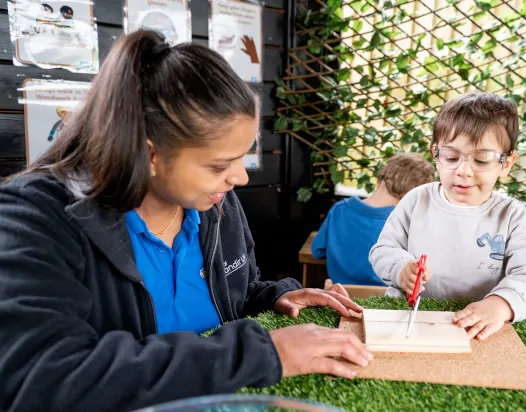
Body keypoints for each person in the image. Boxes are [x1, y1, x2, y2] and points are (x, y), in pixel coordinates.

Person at [0, 30, 371, 412]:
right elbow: (38, 377)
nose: (240, 177)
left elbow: (232, 297)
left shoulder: (214, 201)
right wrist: (260, 353)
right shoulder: (34, 219)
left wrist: (273, 297)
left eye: (242, 156)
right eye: (219, 165)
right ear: (149, 155)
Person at [369, 92, 526, 341]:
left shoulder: (512, 216)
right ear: (435, 154)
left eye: (481, 159)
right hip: (406, 317)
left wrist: (501, 304)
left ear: (506, 163)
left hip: (474, 329)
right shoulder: (416, 200)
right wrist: (400, 267)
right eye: (451, 157)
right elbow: (382, 250)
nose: (463, 171)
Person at [311, 152, 435, 286]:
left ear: (380, 178)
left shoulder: (339, 210)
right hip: (387, 303)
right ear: (412, 196)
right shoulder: (404, 223)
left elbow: (317, 251)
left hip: (341, 299)